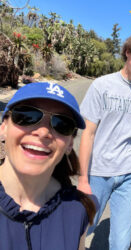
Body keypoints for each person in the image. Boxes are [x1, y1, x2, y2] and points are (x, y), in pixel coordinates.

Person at [78, 32, 131, 249]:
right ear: (128, 51)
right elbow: (88, 133)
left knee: (122, 241)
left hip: (129, 173)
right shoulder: (102, 86)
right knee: (83, 228)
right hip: (99, 173)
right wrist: (83, 178)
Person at [0, 82, 97, 250]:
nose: (43, 132)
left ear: (69, 144)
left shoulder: (79, 209)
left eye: (62, 124)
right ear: (3, 128)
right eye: (27, 115)